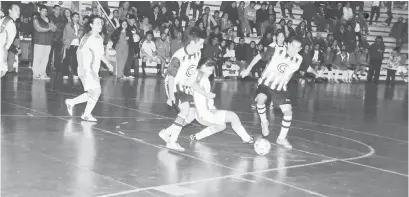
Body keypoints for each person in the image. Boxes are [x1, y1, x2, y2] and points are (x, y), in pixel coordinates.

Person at [240, 37, 303, 149]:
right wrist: (248, 69)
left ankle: (281, 138)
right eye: (293, 46)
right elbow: (259, 56)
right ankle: (264, 122)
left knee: (288, 112)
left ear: (300, 49)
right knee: (260, 99)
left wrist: (314, 72)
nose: (294, 49)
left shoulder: (299, 59)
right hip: (265, 83)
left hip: (280, 88)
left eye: (297, 48)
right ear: (288, 44)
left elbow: (293, 72)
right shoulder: (276, 51)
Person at [159, 26, 214, 151]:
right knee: (184, 110)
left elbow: (191, 74)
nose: (202, 46)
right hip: (174, 84)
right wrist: (171, 96)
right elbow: (171, 76)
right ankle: (172, 141)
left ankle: (166, 133)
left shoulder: (197, 53)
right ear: (192, 42)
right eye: (200, 43)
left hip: (185, 85)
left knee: (192, 115)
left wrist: (203, 91)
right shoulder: (178, 56)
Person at [190, 58, 254, 143]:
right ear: (202, 67)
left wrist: (211, 105)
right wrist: (207, 95)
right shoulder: (199, 74)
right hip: (203, 114)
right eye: (209, 69)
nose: (211, 71)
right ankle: (247, 139)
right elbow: (193, 84)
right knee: (233, 116)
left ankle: (196, 137)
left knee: (221, 126)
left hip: (207, 112)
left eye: (212, 69)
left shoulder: (205, 79)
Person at [65, 16, 114, 122]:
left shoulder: (100, 38)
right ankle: (86, 114)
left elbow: (101, 54)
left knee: (92, 93)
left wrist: (108, 64)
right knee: (96, 91)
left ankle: (71, 102)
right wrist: (81, 68)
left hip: (94, 70)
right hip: (86, 69)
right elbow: (79, 51)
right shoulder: (87, 37)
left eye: (101, 23)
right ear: (91, 25)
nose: (100, 25)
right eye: (97, 23)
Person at [1, 4, 20, 77]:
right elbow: (3, 40)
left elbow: (7, 40)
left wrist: (15, 49)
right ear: (10, 11)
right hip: (2, 51)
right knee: (2, 71)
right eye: (16, 9)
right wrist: (15, 49)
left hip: (4, 51)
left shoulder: (10, 22)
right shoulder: (7, 22)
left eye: (19, 10)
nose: (18, 11)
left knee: (3, 72)